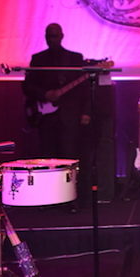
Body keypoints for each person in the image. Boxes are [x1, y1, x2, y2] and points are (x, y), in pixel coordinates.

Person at [22, 24, 91, 205]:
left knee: (70, 156)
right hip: (45, 116)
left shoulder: (75, 58)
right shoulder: (38, 59)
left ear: (62, 36)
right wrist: (44, 94)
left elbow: (84, 89)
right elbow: (27, 86)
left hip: (69, 115)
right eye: (49, 36)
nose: (52, 39)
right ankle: (47, 198)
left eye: (55, 36)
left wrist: (85, 112)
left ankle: (71, 199)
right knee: (47, 156)